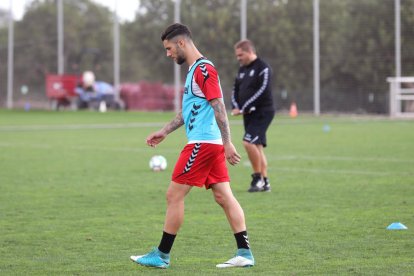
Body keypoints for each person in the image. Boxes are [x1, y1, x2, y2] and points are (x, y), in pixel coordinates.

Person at [129, 23, 254, 269]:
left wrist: (228, 142)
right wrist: (164, 131)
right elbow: (188, 112)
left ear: (182, 43)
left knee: (174, 194)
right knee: (223, 196)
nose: (168, 53)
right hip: (209, 143)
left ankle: (162, 255)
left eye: (169, 48)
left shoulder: (204, 70)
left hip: (203, 144)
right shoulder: (195, 71)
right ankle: (245, 253)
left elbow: (219, 106)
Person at [231, 39, 275, 193]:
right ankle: (265, 181)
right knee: (257, 146)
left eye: (240, 55)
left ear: (250, 51)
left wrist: (244, 107)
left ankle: (258, 178)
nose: (238, 58)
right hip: (247, 113)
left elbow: (263, 90)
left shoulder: (263, 68)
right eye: (237, 55)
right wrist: (236, 105)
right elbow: (235, 89)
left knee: (248, 142)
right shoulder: (242, 70)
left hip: (263, 112)